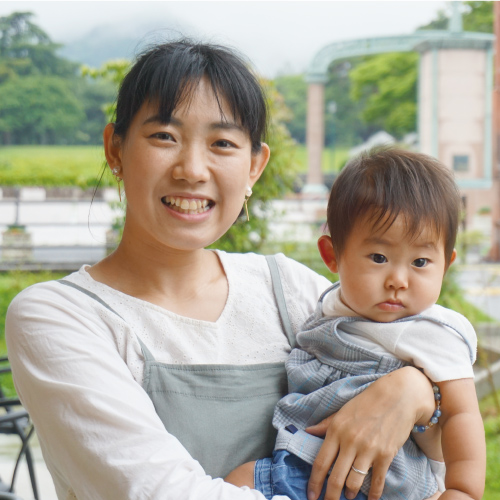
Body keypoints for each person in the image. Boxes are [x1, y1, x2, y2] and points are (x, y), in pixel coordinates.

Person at [6, 42, 440, 500]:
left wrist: (413, 392)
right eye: (164, 137)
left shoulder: (287, 289)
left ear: (254, 166)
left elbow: (434, 432)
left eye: (222, 144)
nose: (193, 170)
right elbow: (157, 491)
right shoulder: (58, 316)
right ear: (115, 148)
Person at [226, 148, 486, 500]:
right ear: (332, 255)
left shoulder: (432, 331)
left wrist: (461, 489)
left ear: (447, 264)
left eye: (421, 261)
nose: (398, 279)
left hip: (382, 482)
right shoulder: (328, 306)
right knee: (237, 481)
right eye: (379, 257)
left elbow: (461, 414)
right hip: (302, 464)